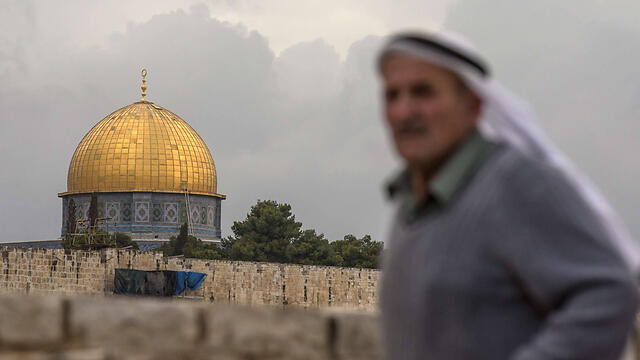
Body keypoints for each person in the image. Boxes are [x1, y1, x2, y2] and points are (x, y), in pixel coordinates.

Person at [378, 31, 639, 360]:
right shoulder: (410, 205)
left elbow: (609, 293)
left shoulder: (516, 185)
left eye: (423, 92)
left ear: (473, 105)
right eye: (392, 95)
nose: (403, 111)